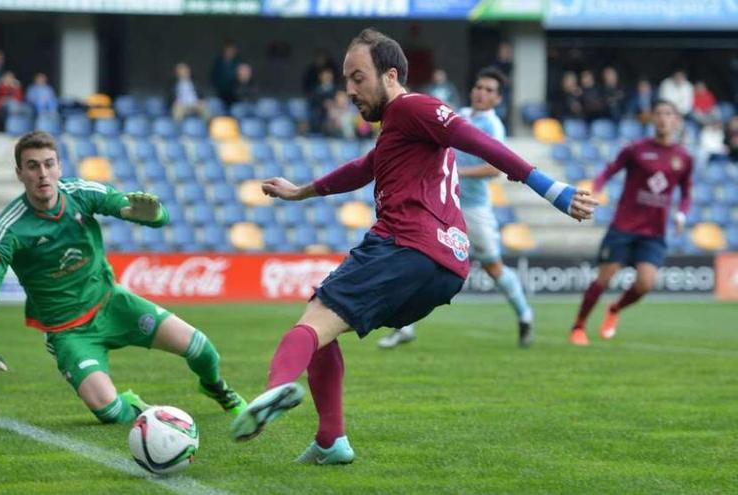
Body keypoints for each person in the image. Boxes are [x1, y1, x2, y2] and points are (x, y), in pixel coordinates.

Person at [230, 28, 596, 463]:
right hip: (445, 267)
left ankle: (273, 392)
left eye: (357, 78)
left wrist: (551, 188)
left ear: (389, 75)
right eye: (347, 79)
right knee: (325, 332)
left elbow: (480, 143)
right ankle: (331, 441)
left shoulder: (414, 107)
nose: (348, 89)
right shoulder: (397, 130)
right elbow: (361, 168)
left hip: (405, 246)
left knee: (312, 322)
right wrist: (301, 192)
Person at [0, 131, 246, 424]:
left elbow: (125, 205)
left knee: (202, 349)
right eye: (33, 166)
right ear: (20, 174)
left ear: (60, 167)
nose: (43, 174)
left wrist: (153, 215)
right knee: (110, 412)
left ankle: (217, 389)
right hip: (69, 332)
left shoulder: (79, 193)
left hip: (113, 304)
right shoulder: (9, 229)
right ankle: (141, 412)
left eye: (49, 164)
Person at [377, 67, 534, 350]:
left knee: (493, 267)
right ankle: (404, 327)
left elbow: (493, 168)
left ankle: (524, 315)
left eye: (489, 90)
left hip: (474, 209)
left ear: (498, 99)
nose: (481, 93)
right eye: (479, 87)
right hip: (443, 205)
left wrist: (456, 173)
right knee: (417, 260)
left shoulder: (493, 126)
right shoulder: (456, 114)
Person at [569, 100, 692, 346]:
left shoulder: (684, 158)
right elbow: (609, 170)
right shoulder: (635, 149)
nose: (663, 118)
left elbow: (686, 192)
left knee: (646, 284)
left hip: (654, 232)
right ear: (652, 118)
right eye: (659, 113)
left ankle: (614, 309)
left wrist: (681, 215)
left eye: (669, 114)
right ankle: (579, 326)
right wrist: (596, 187)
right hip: (624, 226)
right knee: (604, 278)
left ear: (676, 120)